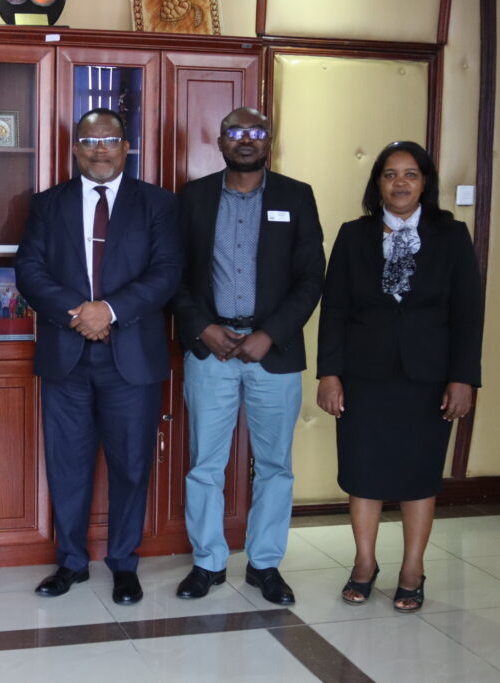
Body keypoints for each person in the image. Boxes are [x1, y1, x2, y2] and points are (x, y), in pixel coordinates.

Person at [16, 108, 181, 606]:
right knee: (68, 465)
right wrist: (78, 312)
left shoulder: (158, 204)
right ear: (75, 148)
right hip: (67, 357)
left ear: (125, 147)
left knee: (131, 464)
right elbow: (29, 269)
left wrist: (108, 310)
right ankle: (70, 561)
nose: (100, 149)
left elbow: (167, 273)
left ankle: (123, 563)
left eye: (110, 140)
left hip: (131, 358)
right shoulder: (48, 205)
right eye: (89, 140)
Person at [316, 140, 482, 612]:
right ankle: (364, 563)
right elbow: (335, 312)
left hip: (428, 377)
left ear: (425, 183)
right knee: (363, 472)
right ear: (378, 184)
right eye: (391, 174)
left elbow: (469, 314)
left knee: (418, 474)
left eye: (411, 174)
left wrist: (463, 377)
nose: (401, 183)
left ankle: (413, 568)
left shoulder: (452, 236)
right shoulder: (353, 235)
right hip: (363, 375)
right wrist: (329, 374)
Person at [170, 107, 324, 605]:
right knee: (205, 465)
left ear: (269, 142)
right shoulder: (193, 198)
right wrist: (203, 328)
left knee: (275, 464)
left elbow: (310, 278)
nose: (246, 140)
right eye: (236, 132)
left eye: (256, 132)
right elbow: (173, 275)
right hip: (210, 351)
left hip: (272, 354)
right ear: (220, 141)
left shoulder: (296, 197)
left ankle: (264, 565)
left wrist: (269, 333)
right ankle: (208, 563)